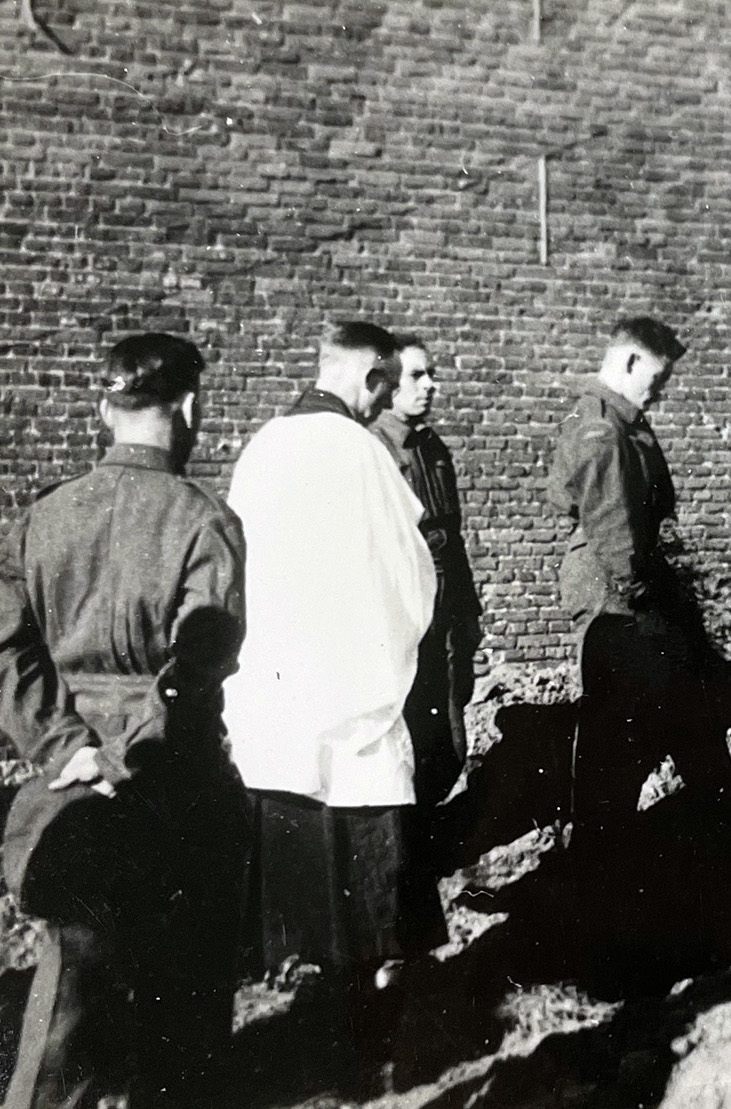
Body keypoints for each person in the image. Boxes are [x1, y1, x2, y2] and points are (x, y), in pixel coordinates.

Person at [0, 334, 247, 1109]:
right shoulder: (205, 520)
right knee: (186, 1019)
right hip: (175, 793)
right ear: (190, 407)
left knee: (68, 1004)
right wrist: (126, 755)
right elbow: (195, 665)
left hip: (68, 796)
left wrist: (66, 747)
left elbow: (8, 647)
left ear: (106, 411)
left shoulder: (42, 518)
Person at [223, 321, 441, 1094]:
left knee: (289, 903)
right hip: (354, 720)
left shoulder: (259, 449)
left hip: (275, 719)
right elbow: (410, 576)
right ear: (374, 379)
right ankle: (365, 1054)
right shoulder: (362, 454)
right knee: (366, 912)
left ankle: (288, 1047)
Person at [546, 317, 707, 829]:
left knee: (657, 712)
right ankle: (598, 856)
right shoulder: (599, 426)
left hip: (625, 578)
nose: (656, 393)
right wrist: (647, 601)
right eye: (654, 380)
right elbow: (614, 530)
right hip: (611, 588)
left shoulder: (619, 419)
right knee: (616, 729)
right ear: (629, 361)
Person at [371, 336, 483, 871]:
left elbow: (452, 541)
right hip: (404, 618)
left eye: (431, 374)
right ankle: (406, 860)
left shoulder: (433, 449)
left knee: (448, 742)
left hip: (444, 616)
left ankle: (426, 845)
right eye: (417, 376)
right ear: (388, 385)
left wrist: (469, 614)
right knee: (408, 738)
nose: (430, 385)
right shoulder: (372, 449)